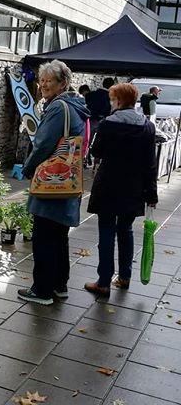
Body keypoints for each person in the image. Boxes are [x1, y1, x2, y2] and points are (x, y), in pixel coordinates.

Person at [18, 60, 90, 305]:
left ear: (64, 83)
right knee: (59, 236)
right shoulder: (75, 105)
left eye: (50, 80)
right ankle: (59, 286)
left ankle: (42, 290)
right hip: (67, 181)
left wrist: (28, 168)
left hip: (53, 182)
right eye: (43, 80)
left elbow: (43, 144)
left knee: (45, 236)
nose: (44, 84)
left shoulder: (59, 107)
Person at [84, 83, 158, 296]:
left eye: (112, 99)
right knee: (125, 230)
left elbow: (96, 151)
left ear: (118, 101)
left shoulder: (108, 125)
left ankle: (104, 281)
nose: (111, 103)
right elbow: (150, 164)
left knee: (106, 230)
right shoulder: (147, 126)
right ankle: (125, 276)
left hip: (108, 185)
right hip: (133, 188)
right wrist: (151, 194)